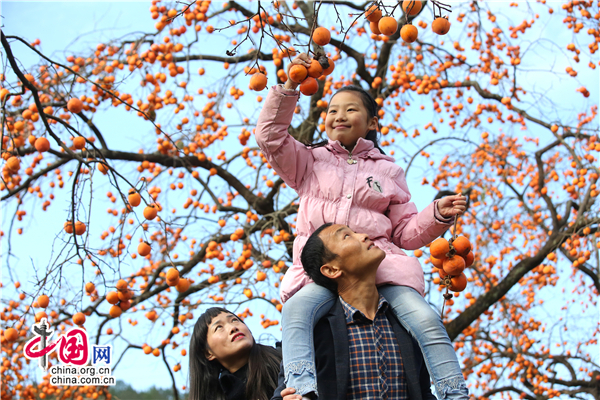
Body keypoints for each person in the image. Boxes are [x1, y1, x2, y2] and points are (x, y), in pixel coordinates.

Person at [255, 52, 469, 400]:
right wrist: (290, 85)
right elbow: (270, 138)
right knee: (296, 312)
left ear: (371, 121)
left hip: (382, 269)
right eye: (332, 110)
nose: (339, 115)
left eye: (350, 109)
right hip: (322, 272)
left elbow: (405, 233)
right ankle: (302, 388)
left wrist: (437, 214)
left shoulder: (388, 171)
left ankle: (453, 392)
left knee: (428, 322)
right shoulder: (310, 161)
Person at [273, 223, 438, 400]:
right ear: (331, 269)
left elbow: (424, 392)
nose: (364, 235)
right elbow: (284, 391)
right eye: (346, 236)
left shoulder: (405, 323)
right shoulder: (314, 333)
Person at [188, 307, 281, 400]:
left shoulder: (285, 355)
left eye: (234, 320)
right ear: (208, 353)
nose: (233, 327)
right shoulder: (224, 394)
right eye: (219, 327)